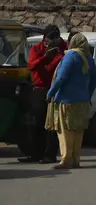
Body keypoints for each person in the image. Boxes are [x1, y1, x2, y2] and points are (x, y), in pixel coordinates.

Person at [45, 32, 96, 170]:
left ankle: (66, 160)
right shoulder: (88, 57)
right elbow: (95, 78)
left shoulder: (70, 56)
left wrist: (50, 93)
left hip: (66, 100)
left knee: (65, 131)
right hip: (82, 101)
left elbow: (61, 78)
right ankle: (75, 159)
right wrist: (88, 94)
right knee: (77, 131)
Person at [21, 25, 65, 163]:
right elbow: (31, 65)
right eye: (49, 38)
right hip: (39, 89)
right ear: (44, 38)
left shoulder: (62, 48)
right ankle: (36, 153)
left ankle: (50, 154)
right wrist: (45, 57)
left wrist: (55, 56)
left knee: (52, 124)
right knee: (37, 123)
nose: (52, 41)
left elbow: (58, 66)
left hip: (55, 89)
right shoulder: (37, 48)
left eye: (55, 37)